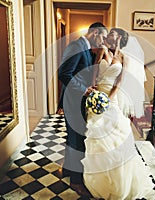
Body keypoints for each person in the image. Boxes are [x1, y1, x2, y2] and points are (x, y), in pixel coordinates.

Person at [81, 28, 155, 199]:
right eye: (108, 34)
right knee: (96, 136)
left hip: (112, 99)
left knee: (117, 135)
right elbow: (94, 76)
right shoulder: (102, 51)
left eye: (112, 34)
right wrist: (96, 95)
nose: (109, 36)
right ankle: (99, 177)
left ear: (120, 38)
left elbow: (119, 82)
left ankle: (120, 178)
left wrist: (107, 100)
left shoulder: (125, 58)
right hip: (97, 96)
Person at [58, 22, 108, 197]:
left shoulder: (86, 48)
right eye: (102, 37)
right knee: (78, 139)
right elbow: (64, 73)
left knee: (73, 136)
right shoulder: (76, 46)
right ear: (95, 32)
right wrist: (84, 89)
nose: (103, 42)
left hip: (77, 100)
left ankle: (66, 170)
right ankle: (76, 182)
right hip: (73, 100)